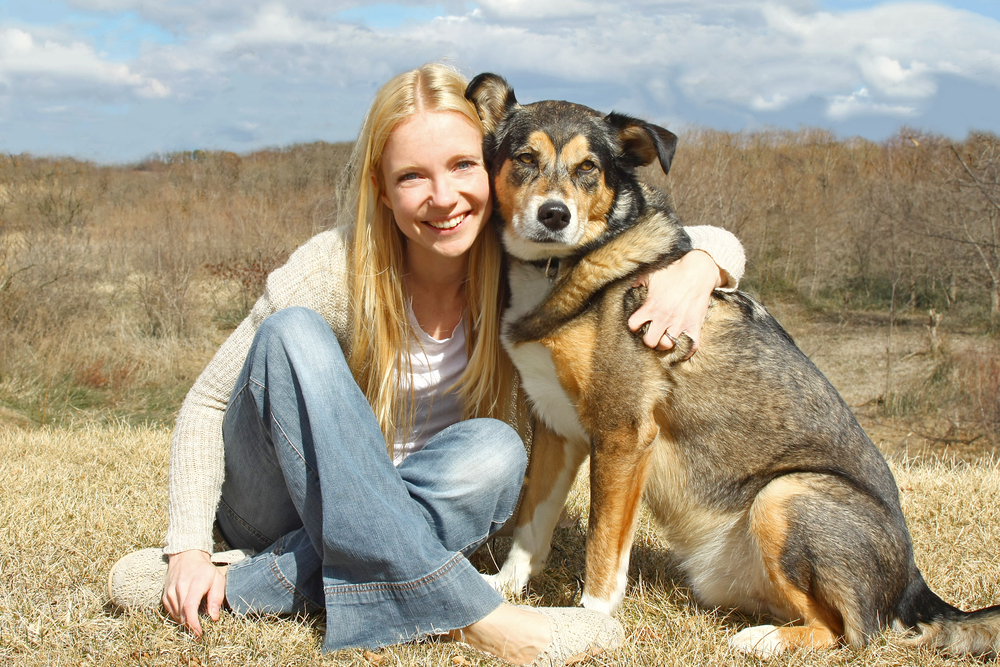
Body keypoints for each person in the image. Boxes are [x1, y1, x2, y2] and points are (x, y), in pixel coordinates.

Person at [108, 62, 745, 664]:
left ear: (489, 171)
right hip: (282, 497)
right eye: (413, 176)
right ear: (381, 191)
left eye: (463, 165)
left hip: (425, 499)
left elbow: (660, 238)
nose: (444, 197)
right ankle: (475, 619)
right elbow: (208, 402)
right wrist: (190, 546)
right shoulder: (335, 267)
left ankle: (265, 580)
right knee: (293, 334)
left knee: (496, 452)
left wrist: (702, 265)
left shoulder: (517, 274)